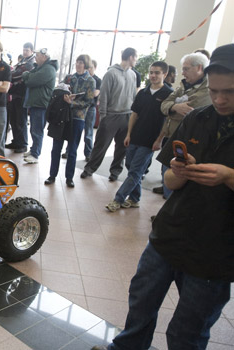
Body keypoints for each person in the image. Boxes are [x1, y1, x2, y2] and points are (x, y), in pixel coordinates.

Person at [92, 43, 234, 350]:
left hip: (216, 249)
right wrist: (180, 173)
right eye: (214, 91)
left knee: (188, 330)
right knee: (141, 305)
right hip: (170, 232)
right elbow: (169, 177)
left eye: (230, 92)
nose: (220, 100)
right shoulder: (197, 118)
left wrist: (229, 176)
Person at [105, 61, 173, 212]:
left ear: (165, 74)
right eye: (151, 72)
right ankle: (135, 199)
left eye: (157, 73)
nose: (153, 76)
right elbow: (134, 114)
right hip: (135, 136)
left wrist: (159, 139)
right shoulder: (142, 92)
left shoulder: (169, 94)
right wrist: (128, 134)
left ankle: (118, 199)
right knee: (131, 167)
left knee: (136, 170)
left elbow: (168, 121)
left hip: (150, 140)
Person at [152, 52, 210, 198]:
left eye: (186, 69)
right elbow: (164, 105)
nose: (182, 73)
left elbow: (191, 109)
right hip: (171, 134)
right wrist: (175, 107)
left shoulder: (207, 89)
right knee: (167, 171)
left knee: (178, 175)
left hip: (189, 139)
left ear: (199, 67)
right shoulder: (183, 86)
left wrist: (172, 106)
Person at [80, 47, 138, 181]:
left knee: (122, 147)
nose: (136, 60)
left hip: (127, 115)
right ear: (130, 57)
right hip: (111, 115)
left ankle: (115, 172)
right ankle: (89, 169)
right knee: (101, 145)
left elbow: (133, 95)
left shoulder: (133, 74)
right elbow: (104, 96)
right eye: (135, 57)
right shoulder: (111, 73)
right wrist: (104, 116)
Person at [46, 54, 95, 188]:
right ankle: (52, 175)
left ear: (86, 65)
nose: (78, 65)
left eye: (81, 63)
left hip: (78, 118)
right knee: (56, 148)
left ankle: (69, 178)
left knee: (72, 150)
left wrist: (72, 103)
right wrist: (64, 96)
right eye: (77, 62)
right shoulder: (69, 78)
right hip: (62, 116)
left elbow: (89, 101)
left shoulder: (90, 80)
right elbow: (57, 91)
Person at [21, 48, 58, 164]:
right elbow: (28, 76)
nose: (35, 58)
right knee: (33, 129)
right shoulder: (40, 68)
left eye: (37, 56)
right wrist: (28, 76)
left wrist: (28, 77)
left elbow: (30, 81)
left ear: (44, 57)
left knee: (37, 130)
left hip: (41, 104)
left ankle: (35, 154)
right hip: (36, 103)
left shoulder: (48, 69)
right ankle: (33, 150)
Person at [5, 42, 36, 153]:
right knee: (14, 119)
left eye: (27, 50)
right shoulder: (23, 61)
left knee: (21, 120)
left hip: (22, 94)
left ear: (32, 51)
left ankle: (23, 144)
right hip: (15, 94)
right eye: (24, 50)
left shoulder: (31, 63)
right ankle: (16, 141)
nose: (25, 52)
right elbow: (14, 72)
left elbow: (18, 74)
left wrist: (9, 74)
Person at [83, 59, 101, 161]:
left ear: (95, 68)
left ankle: (88, 153)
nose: (89, 69)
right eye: (88, 67)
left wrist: (83, 92)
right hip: (80, 108)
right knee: (74, 131)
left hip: (91, 108)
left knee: (88, 132)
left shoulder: (97, 80)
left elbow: (95, 94)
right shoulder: (82, 78)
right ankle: (68, 151)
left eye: (91, 67)